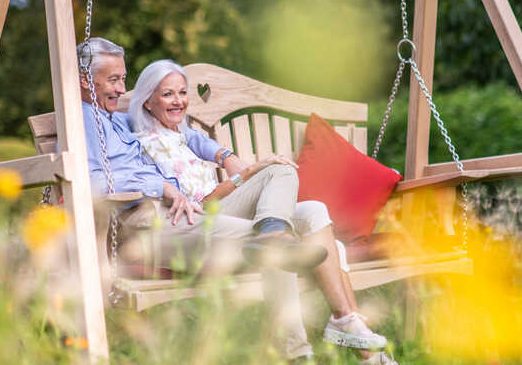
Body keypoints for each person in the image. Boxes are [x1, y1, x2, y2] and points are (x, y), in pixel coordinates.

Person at [78, 38, 396, 365]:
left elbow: (182, 132)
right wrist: (161, 187)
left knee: (296, 196)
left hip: (190, 214)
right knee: (276, 247)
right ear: (85, 80)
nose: (121, 88)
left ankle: (339, 316)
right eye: (113, 80)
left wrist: (224, 154)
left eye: (123, 79)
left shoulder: (117, 118)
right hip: (157, 223)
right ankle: (300, 355)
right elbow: (94, 181)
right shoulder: (84, 121)